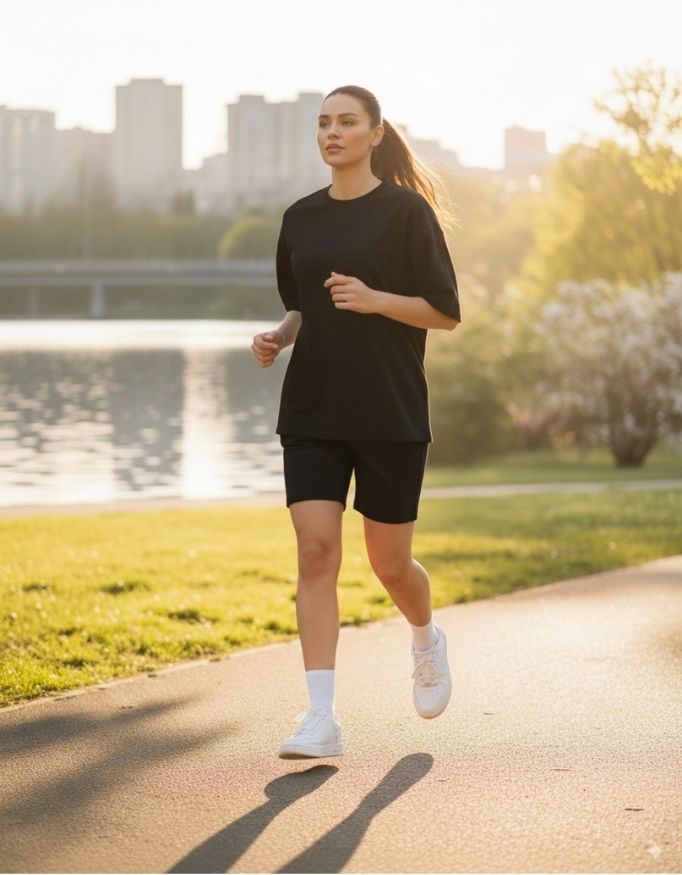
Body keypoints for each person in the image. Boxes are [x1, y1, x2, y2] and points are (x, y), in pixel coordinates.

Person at [251, 84, 462, 760]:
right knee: (315, 549)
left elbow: (444, 310)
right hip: (313, 406)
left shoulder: (406, 213)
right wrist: (279, 336)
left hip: (389, 409)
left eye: (346, 122)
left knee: (389, 563)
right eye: (323, 123)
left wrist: (375, 300)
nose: (332, 132)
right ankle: (321, 716)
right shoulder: (300, 218)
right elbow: (304, 305)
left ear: (375, 133)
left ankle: (426, 637)